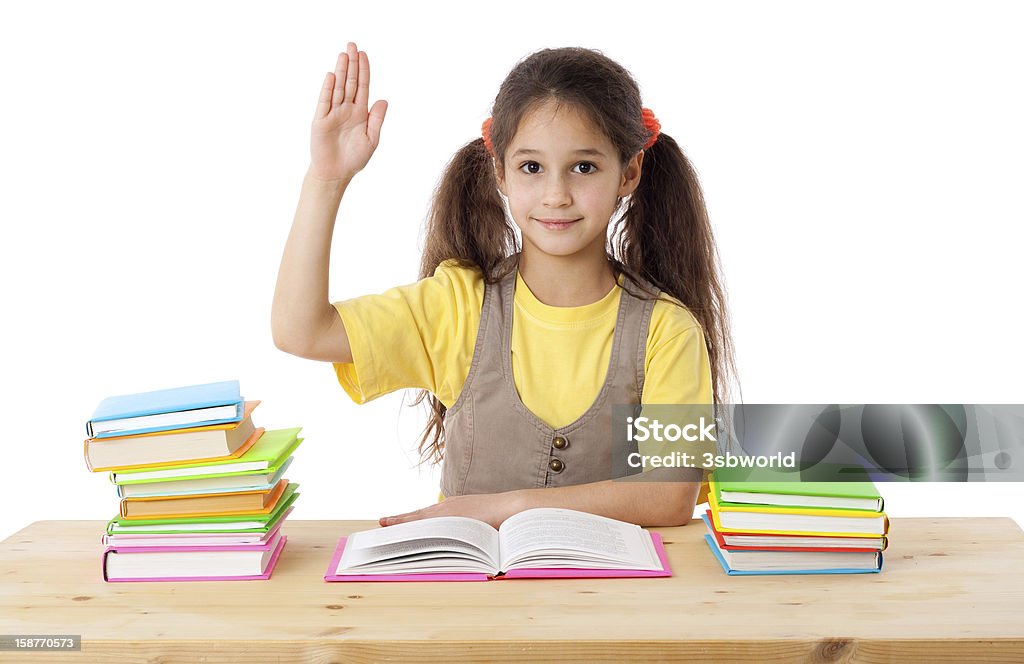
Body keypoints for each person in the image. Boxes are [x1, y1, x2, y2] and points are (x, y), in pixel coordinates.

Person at [272, 42, 735, 530]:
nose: (556, 195)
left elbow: (670, 496)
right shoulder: (458, 306)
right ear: (501, 174)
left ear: (629, 172)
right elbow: (299, 332)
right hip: (471, 595)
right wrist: (326, 180)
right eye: (531, 167)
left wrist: (506, 507)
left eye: (584, 167)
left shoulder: (668, 329)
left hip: (612, 599)